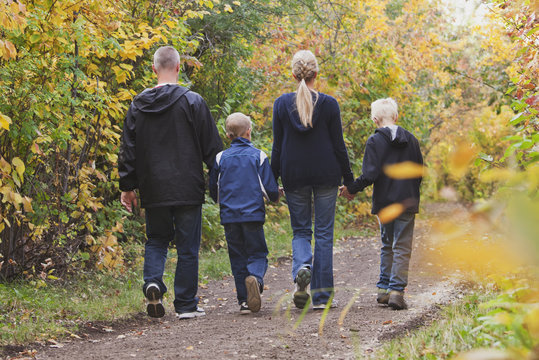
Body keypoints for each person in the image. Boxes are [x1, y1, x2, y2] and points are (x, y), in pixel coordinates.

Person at [118, 46, 223, 319]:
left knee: (156, 239)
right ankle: (186, 304)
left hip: (154, 187)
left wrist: (127, 187)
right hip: (187, 186)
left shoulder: (137, 105)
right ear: (178, 67)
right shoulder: (193, 101)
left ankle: (153, 282)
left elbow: (128, 149)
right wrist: (220, 180)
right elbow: (212, 148)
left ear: (154, 69)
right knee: (187, 246)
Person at [271, 50, 354, 310]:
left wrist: (271, 182)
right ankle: (321, 298)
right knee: (324, 234)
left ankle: (302, 268)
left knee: (301, 231)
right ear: (316, 74)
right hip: (327, 174)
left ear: (294, 75)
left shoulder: (281, 104)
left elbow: (277, 147)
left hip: (293, 174)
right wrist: (350, 181)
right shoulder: (329, 104)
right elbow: (339, 146)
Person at [340, 98, 423, 310]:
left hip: (385, 202)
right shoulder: (412, 140)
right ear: (396, 117)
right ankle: (397, 291)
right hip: (406, 201)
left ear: (374, 119)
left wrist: (351, 188)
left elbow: (369, 175)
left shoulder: (374, 141)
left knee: (387, 244)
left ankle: (384, 290)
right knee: (402, 246)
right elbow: (418, 172)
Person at [209, 113, 280, 314]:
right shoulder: (259, 155)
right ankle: (255, 280)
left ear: (228, 134)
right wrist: (274, 196)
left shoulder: (220, 157)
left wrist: (220, 202)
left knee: (237, 256)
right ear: (249, 131)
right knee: (257, 252)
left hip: (230, 216)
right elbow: (268, 187)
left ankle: (244, 301)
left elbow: (215, 188)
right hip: (253, 214)